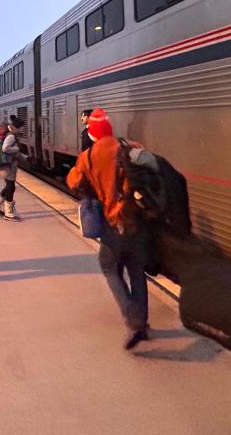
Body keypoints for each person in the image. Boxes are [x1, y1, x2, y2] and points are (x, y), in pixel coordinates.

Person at [67, 108, 151, 349]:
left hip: (112, 223)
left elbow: (72, 181)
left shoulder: (89, 156)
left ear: (92, 133)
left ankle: (133, 320)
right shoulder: (130, 147)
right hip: (136, 220)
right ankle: (142, 321)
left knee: (109, 266)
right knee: (136, 270)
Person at [0, 115, 24, 220]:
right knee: (11, 187)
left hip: (6, 165)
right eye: (22, 127)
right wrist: (16, 149)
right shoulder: (11, 136)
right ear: (18, 127)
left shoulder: (11, 134)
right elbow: (5, 148)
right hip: (7, 166)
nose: (23, 129)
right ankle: (9, 212)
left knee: (9, 185)